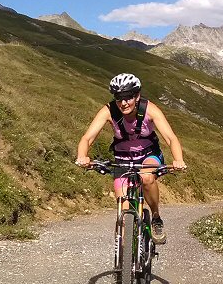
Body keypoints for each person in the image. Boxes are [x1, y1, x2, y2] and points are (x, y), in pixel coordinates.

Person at [76, 73, 186, 244]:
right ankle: (125, 258)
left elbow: (171, 138)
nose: (124, 103)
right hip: (122, 159)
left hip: (149, 156)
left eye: (128, 98)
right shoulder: (108, 111)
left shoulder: (150, 109)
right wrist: (82, 156)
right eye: (119, 98)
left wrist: (178, 159)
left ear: (137, 96)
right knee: (123, 208)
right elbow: (87, 138)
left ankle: (156, 217)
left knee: (147, 177)